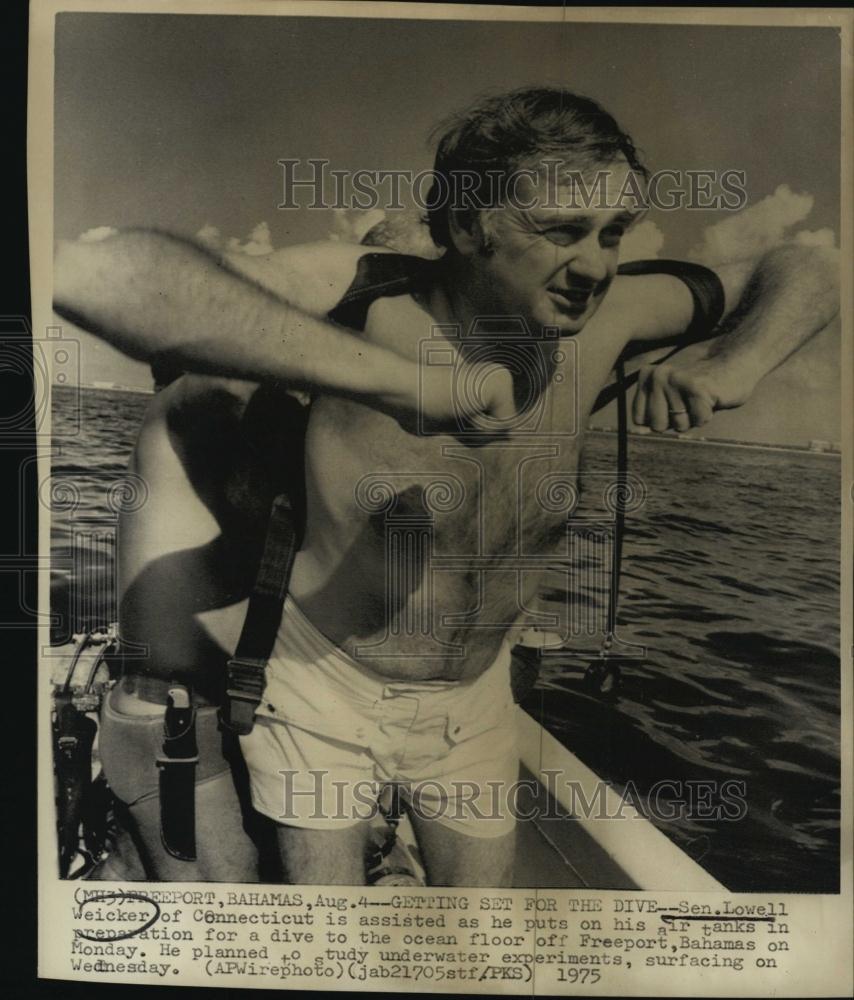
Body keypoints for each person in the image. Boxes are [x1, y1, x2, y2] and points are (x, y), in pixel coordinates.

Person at [54, 87, 838, 886]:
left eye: (613, 234)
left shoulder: (616, 314)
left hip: (476, 694)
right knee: (329, 945)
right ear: (466, 226)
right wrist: (410, 385)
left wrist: (732, 363)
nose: (597, 265)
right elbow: (95, 274)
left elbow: (809, 263)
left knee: (478, 941)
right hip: (329, 684)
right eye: (563, 232)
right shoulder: (360, 295)